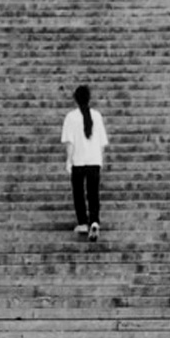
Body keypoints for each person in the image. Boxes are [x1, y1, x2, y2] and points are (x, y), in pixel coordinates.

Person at [61, 85, 109, 241]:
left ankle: (82, 221)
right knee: (93, 193)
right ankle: (94, 220)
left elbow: (70, 143)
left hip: (78, 161)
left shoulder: (71, 117)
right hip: (94, 160)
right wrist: (100, 159)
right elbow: (102, 142)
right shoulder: (97, 116)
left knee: (79, 193)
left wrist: (68, 160)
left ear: (75, 99)